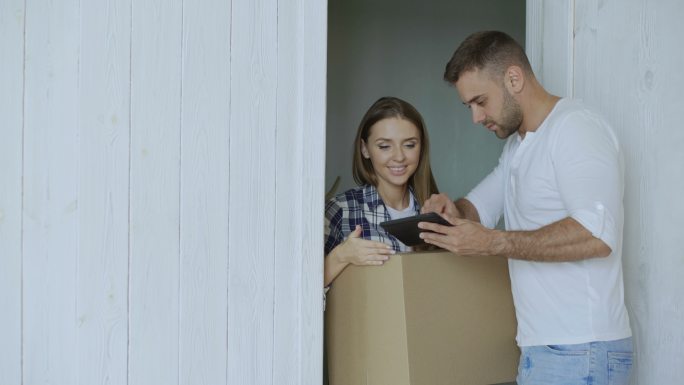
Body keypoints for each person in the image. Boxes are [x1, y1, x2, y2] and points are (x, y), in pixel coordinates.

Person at [418, 31, 633, 385]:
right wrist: (451, 212)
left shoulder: (575, 129)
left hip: (582, 352)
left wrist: (493, 243)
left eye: (480, 101)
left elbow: (597, 234)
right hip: (545, 351)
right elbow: (479, 208)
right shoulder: (518, 147)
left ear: (513, 78)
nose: (475, 117)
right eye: (468, 106)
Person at [324, 96, 439, 287]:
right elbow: (302, 293)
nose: (399, 157)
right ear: (365, 149)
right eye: (385, 146)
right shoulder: (340, 210)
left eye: (409, 145)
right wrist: (341, 256)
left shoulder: (434, 213)